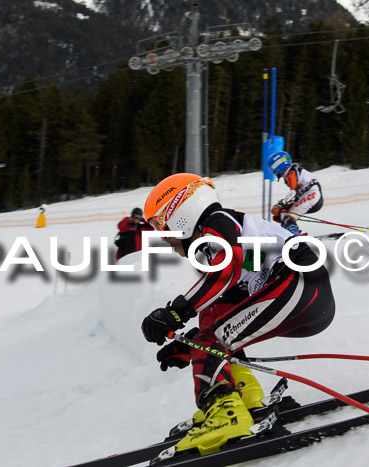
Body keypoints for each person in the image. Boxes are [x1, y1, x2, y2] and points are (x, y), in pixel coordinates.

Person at [140, 173, 335, 455]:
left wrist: (176, 313)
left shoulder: (219, 223)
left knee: (212, 335)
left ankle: (225, 414)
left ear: (180, 211)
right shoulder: (224, 233)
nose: (164, 236)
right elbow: (231, 300)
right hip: (304, 293)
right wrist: (192, 344)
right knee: (211, 321)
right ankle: (245, 399)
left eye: (162, 224)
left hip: (301, 285)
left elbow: (226, 271)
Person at [266, 151, 323, 236]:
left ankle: (293, 236)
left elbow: (293, 192)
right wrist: (283, 208)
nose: (272, 172)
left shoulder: (291, 173)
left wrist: (281, 204)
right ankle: (290, 232)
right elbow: (296, 193)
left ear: (279, 166)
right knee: (283, 212)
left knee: (288, 218)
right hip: (310, 195)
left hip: (312, 194)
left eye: (272, 169)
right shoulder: (291, 172)